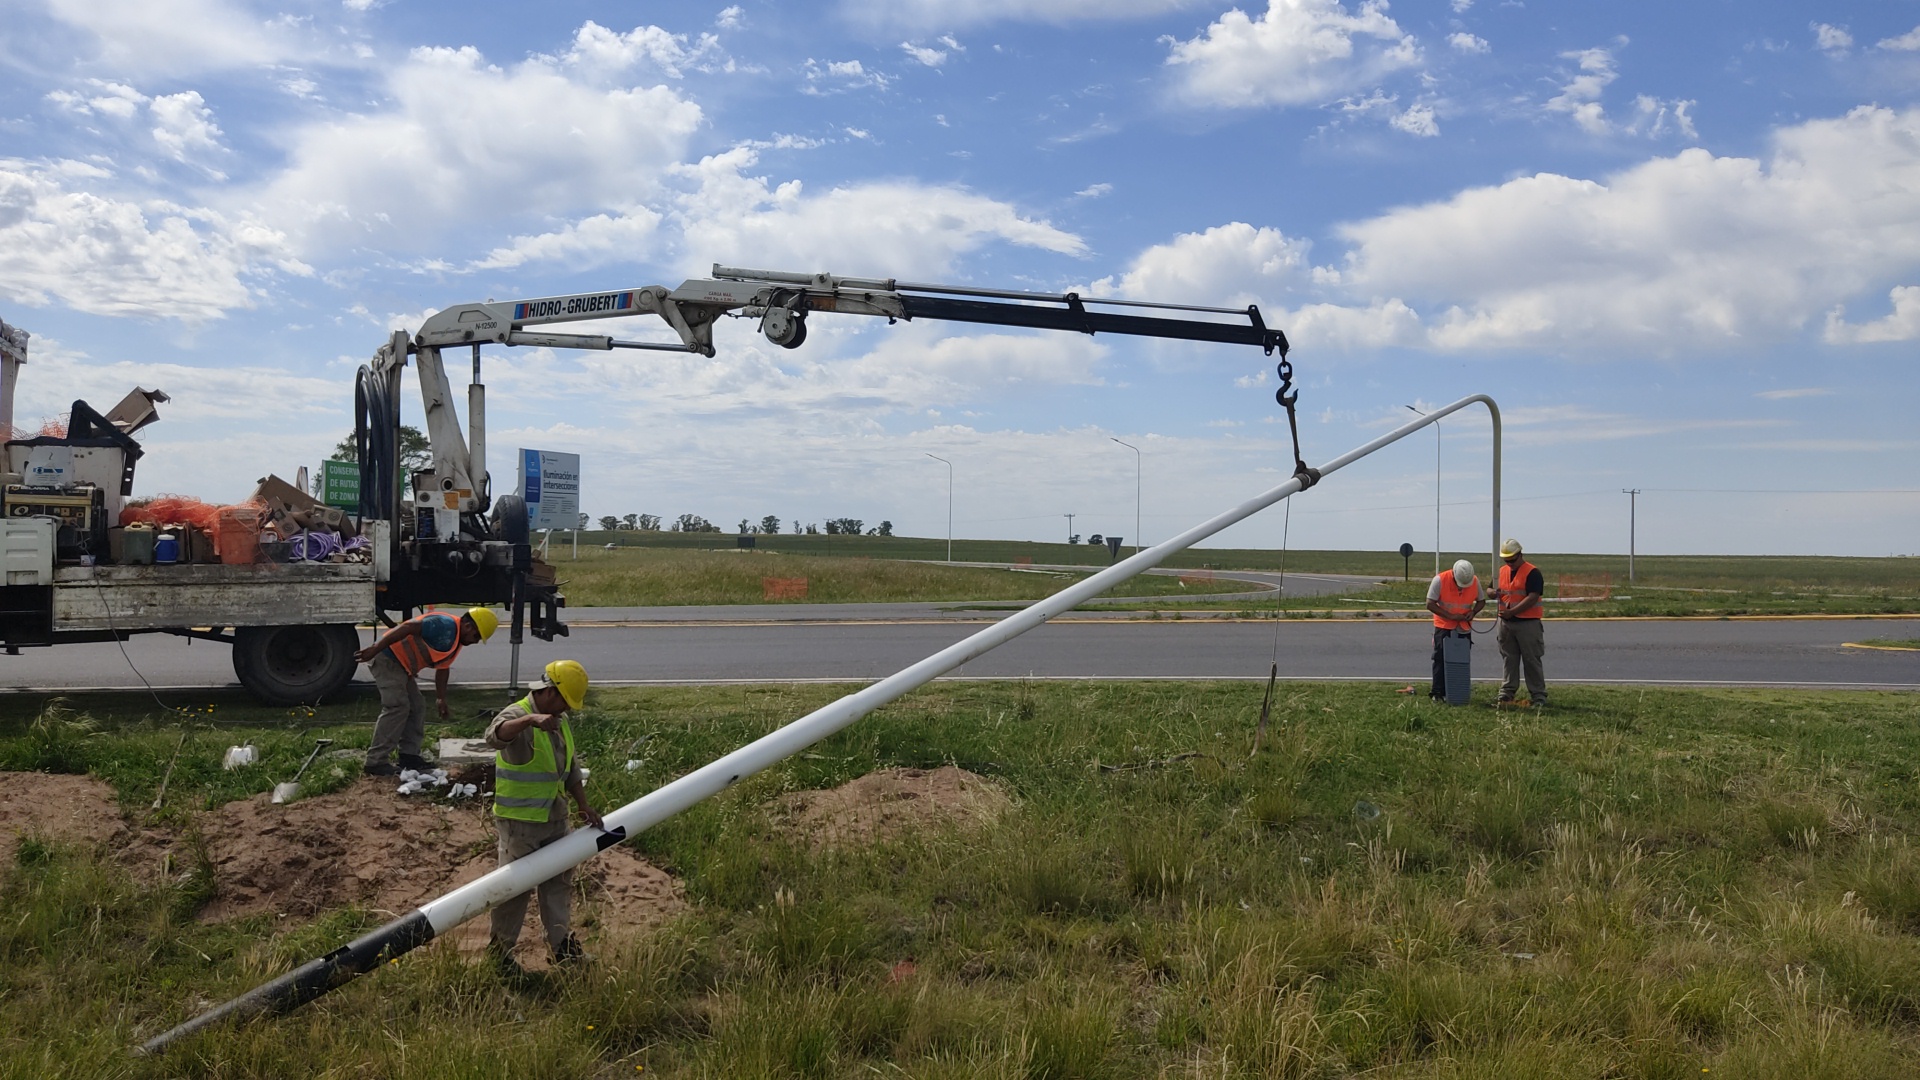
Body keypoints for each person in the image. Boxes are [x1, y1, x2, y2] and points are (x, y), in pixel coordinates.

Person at [484, 659, 600, 974]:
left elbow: (570, 769)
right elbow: (493, 736)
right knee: (515, 889)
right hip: (520, 823)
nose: (567, 710)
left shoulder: (559, 721)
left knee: (559, 882)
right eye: (564, 702)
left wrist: (583, 805)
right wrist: (530, 721)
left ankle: (562, 948)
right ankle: (500, 955)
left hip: (554, 817)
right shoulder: (517, 714)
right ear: (550, 691)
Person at [355, 607, 498, 776]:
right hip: (387, 659)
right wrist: (375, 648)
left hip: (402, 666)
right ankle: (376, 762)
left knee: (417, 706)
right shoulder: (444, 625)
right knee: (397, 707)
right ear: (468, 626)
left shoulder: (456, 639)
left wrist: (441, 698)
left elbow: (443, 669)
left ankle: (409, 756)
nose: (475, 641)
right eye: (477, 636)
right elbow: (408, 627)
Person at [1495, 538, 1548, 707]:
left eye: (1512, 560)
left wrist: (1513, 612)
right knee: (1509, 659)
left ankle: (1538, 696)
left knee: (1531, 660)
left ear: (1520, 555)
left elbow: (1533, 597)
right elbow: (1491, 588)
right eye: (1506, 560)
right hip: (1506, 623)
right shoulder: (1501, 571)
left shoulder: (1533, 572)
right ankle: (1506, 693)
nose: (1509, 563)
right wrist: (1491, 592)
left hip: (1528, 623)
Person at [1425, 559, 1485, 702]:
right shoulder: (1440, 580)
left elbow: (1481, 601)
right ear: (1453, 574)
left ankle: (1457, 691)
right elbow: (1430, 603)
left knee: (1460, 661)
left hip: (1464, 627)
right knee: (1440, 659)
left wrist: (1473, 612)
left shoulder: (1474, 581)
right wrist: (1450, 616)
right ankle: (1437, 692)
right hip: (1444, 626)